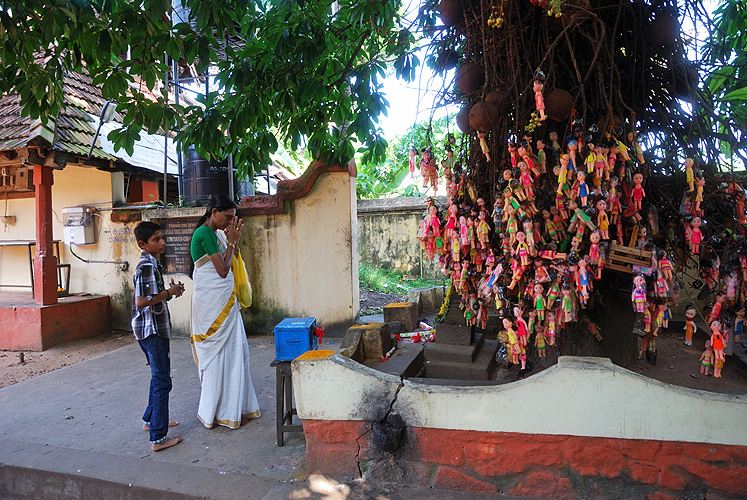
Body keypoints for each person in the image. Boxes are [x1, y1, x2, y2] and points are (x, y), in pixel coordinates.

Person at [190, 194, 260, 429]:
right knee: (219, 356)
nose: (229, 223)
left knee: (235, 352)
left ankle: (234, 409)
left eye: (233, 219)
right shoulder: (205, 233)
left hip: (226, 304)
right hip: (213, 304)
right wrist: (231, 242)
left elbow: (231, 260)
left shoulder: (218, 234)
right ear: (214, 212)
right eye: (227, 217)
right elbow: (222, 270)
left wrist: (233, 242)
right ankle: (217, 412)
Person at [132, 221, 185, 451]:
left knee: (158, 377)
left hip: (153, 329)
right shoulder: (146, 265)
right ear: (143, 244)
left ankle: (151, 421)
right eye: (156, 240)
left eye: (162, 238)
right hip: (151, 331)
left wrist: (170, 293)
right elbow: (141, 301)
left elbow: (153, 297)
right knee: (163, 381)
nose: (162, 242)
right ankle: (159, 437)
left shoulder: (152, 263)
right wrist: (168, 292)